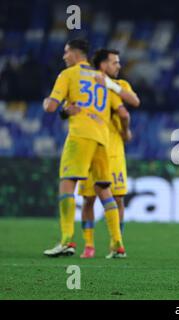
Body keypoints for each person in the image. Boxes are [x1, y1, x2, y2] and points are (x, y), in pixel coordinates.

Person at [42, 39, 126, 258]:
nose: (64, 56)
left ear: (74, 53)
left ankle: (67, 241)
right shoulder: (102, 78)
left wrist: (51, 104)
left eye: (66, 52)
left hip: (80, 135)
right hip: (102, 139)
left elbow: (51, 107)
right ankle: (117, 244)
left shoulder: (68, 74)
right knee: (104, 189)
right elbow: (122, 107)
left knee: (67, 184)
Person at [62, 49, 140, 258]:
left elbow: (133, 100)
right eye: (115, 63)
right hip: (108, 149)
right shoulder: (97, 84)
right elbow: (128, 110)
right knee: (110, 198)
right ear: (103, 64)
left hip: (93, 147)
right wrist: (125, 132)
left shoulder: (117, 85)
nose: (119, 66)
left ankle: (95, 246)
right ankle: (113, 244)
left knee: (93, 199)